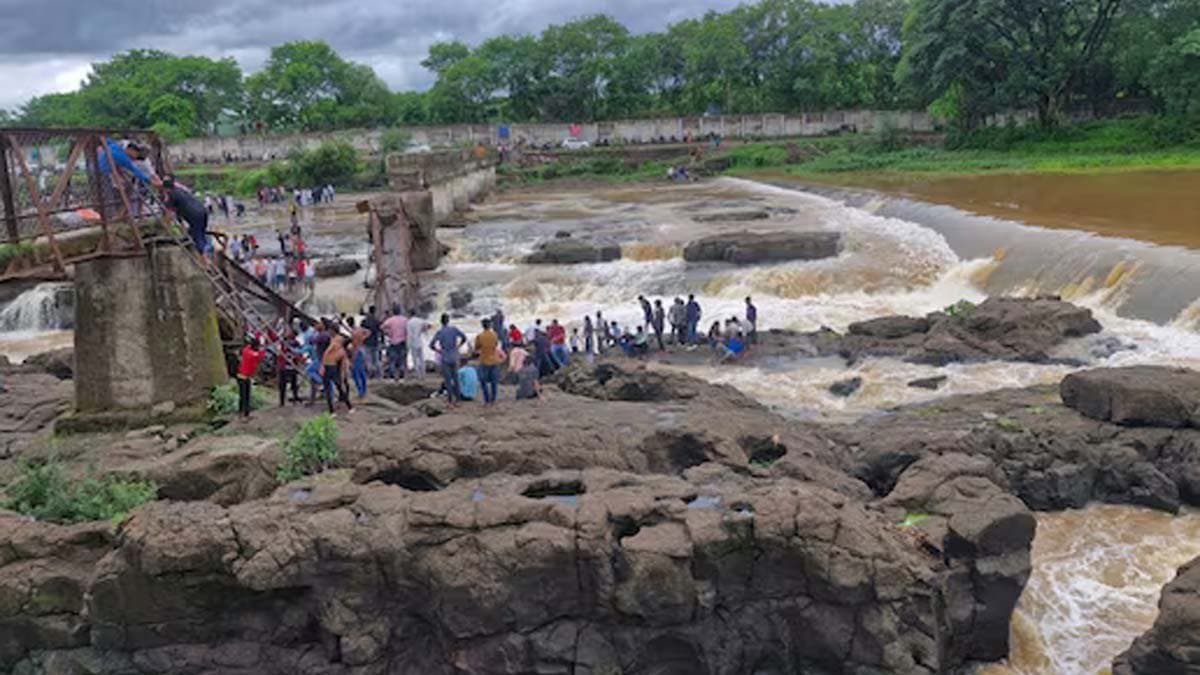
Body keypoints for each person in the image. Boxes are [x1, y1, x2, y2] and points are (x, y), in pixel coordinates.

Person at [161, 177, 209, 254]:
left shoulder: (171, 196)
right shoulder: (181, 191)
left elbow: (168, 215)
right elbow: (178, 214)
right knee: (200, 233)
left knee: (197, 236)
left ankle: (205, 261)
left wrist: (165, 226)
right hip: (203, 211)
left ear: (165, 189)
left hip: (194, 215)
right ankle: (208, 252)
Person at [430, 314, 467, 407]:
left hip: (445, 357)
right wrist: (458, 346)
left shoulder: (440, 332)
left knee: (448, 380)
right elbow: (464, 337)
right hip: (454, 356)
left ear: (441, 321)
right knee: (456, 378)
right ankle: (458, 399)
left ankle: (450, 400)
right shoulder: (454, 329)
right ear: (448, 320)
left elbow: (431, 345)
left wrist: (438, 350)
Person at [320, 334, 353, 414]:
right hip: (333, 367)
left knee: (329, 389)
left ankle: (332, 411)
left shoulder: (335, 345)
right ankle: (349, 407)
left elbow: (326, 354)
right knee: (339, 388)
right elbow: (343, 366)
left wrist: (322, 366)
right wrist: (341, 377)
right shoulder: (342, 351)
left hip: (329, 366)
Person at [474, 318, 502, 406]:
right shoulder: (495, 335)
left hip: (484, 360)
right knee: (494, 382)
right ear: (490, 325)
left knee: (483, 381)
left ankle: (487, 400)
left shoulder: (480, 336)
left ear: (482, 326)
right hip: (494, 359)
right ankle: (493, 400)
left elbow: (477, 348)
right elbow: (496, 344)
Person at [236, 337, 265, 418]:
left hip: (246, 376)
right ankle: (242, 413)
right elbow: (259, 356)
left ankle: (245, 413)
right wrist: (263, 349)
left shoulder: (246, 350)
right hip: (243, 377)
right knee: (244, 396)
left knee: (246, 396)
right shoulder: (251, 354)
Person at [277, 328, 303, 407]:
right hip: (286, 366)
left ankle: (290, 399)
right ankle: (284, 401)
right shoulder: (284, 342)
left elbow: (299, 354)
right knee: (286, 384)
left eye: (289, 332)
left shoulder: (293, 343)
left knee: (290, 384)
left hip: (290, 366)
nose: (287, 333)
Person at [381, 306, 408, 379]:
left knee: (392, 359)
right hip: (403, 341)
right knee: (402, 359)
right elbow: (408, 329)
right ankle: (402, 374)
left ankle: (392, 375)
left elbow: (382, 327)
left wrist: (388, 333)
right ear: (400, 311)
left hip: (393, 342)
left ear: (393, 312)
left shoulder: (390, 320)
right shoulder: (404, 319)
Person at [349, 317, 370, 398]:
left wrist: (352, 359)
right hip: (362, 349)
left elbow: (355, 347)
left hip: (357, 352)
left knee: (356, 373)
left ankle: (361, 392)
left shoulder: (354, 333)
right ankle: (364, 390)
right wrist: (363, 338)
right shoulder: (359, 329)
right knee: (362, 372)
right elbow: (368, 331)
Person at [362, 305, 383, 378]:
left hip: (366, 342)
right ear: (375, 312)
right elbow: (381, 332)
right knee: (376, 359)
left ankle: (370, 374)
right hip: (375, 342)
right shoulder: (377, 321)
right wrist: (382, 341)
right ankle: (379, 374)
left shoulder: (364, 321)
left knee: (368, 359)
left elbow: (362, 332)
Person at [407, 312, 428, 379]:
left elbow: (409, 335)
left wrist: (408, 344)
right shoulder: (420, 320)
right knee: (421, 358)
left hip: (413, 342)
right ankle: (423, 374)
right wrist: (423, 332)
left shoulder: (409, 322)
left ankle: (418, 375)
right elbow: (426, 326)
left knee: (415, 359)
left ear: (410, 314)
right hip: (420, 341)